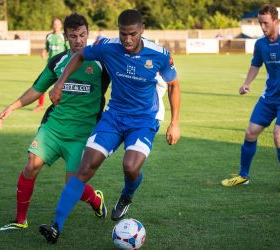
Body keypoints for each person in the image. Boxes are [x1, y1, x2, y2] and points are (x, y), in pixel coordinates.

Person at [39, 9, 180, 243]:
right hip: (114, 117)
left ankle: (126, 195)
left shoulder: (159, 54)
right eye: (123, 34)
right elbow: (80, 55)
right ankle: (56, 226)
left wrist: (175, 123)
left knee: (131, 167)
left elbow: (174, 86)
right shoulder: (108, 46)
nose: (127, 39)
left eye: (132, 34)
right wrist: (60, 83)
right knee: (85, 167)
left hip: (144, 120)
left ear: (142, 30)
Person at [0, 13, 110, 231]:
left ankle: (96, 200)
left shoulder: (102, 63)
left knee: (72, 185)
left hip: (82, 134)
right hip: (53, 128)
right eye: (73, 36)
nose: (79, 40)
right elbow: (37, 89)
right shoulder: (57, 61)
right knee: (31, 165)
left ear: (88, 33)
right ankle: (21, 220)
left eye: (82, 35)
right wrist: (11, 107)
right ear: (66, 37)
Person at [221, 4, 280, 195]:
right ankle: (243, 176)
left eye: (266, 23)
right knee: (250, 133)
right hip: (268, 97)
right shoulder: (260, 44)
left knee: (279, 135)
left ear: (276, 21)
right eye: (260, 23)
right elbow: (255, 65)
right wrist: (247, 83)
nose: (262, 27)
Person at [33, 18, 70, 112]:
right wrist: (44, 52)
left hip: (62, 67)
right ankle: (40, 105)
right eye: (54, 24)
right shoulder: (49, 36)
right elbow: (46, 48)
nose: (56, 26)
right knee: (42, 84)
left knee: (63, 87)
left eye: (58, 24)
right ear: (52, 25)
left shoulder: (63, 36)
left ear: (61, 26)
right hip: (50, 65)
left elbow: (69, 50)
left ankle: (62, 106)